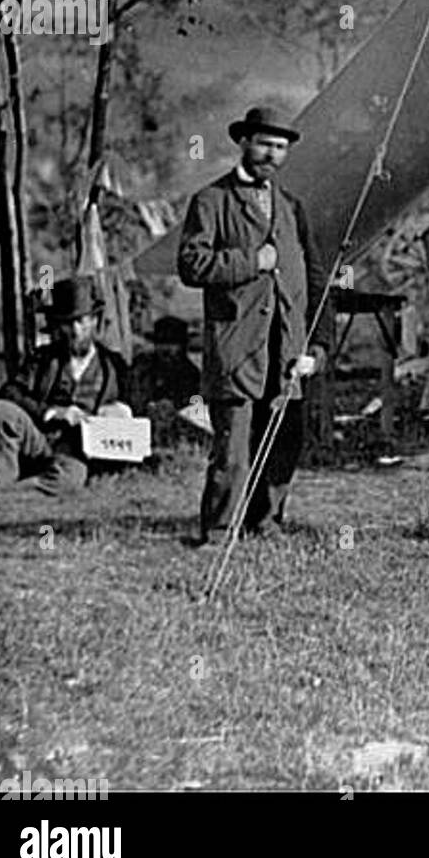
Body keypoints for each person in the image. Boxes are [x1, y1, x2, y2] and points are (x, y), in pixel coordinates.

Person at [178, 105, 330, 544]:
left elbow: (315, 278)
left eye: (281, 148)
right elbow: (191, 264)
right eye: (264, 143)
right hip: (236, 347)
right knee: (233, 448)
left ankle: (265, 523)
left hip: (284, 349)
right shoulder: (211, 200)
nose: (272, 154)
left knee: (283, 442)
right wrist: (252, 262)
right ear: (244, 142)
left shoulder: (291, 207)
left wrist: (316, 345)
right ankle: (219, 530)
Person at [0, 276, 127, 502]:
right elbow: (10, 392)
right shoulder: (43, 359)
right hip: (38, 439)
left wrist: (119, 411)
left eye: (82, 321)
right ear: (58, 326)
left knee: (69, 480)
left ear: (95, 321)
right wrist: (52, 412)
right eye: (68, 323)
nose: (76, 330)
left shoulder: (114, 367)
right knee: (1, 411)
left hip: (77, 449)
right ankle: (4, 482)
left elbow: (135, 405)